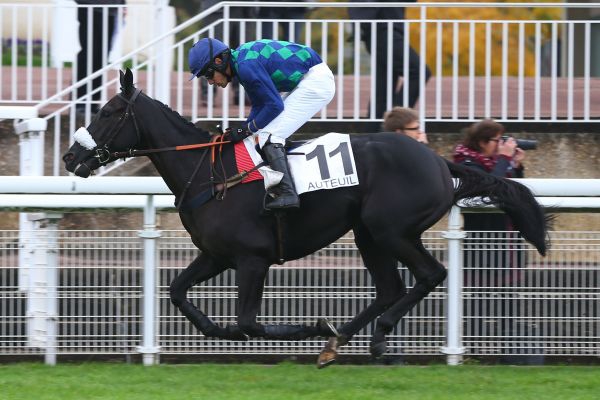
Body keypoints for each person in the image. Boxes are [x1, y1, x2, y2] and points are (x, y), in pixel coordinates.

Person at [188, 38, 336, 210]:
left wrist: (246, 130)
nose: (210, 82)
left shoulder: (246, 66)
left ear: (219, 62)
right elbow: (260, 105)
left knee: (269, 137)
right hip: (307, 77)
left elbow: (274, 106)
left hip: (315, 82)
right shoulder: (241, 62)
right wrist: (243, 128)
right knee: (263, 133)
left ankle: (288, 194)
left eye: (208, 74)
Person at [453, 119, 542, 364]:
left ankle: (509, 353)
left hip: (506, 243)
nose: (501, 144)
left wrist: (516, 166)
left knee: (508, 303)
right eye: (497, 140)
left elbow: (511, 189)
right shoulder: (465, 163)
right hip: (481, 245)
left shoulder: (495, 162)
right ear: (482, 142)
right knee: (478, 305)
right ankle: (473, 353)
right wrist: (504, 160)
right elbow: (491, 186)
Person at [348, 0, 431, 118]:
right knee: (419, 72)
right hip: (382, 30)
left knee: (384, 89)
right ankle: (396, 120)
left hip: (387, 29)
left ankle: (375, 132)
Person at [75, 0, 126, 115]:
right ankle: (81, 103)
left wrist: (122, 3)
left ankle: (93, 103)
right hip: (90, 9)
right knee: (88, 56)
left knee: (101, 59)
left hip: (110, 12)